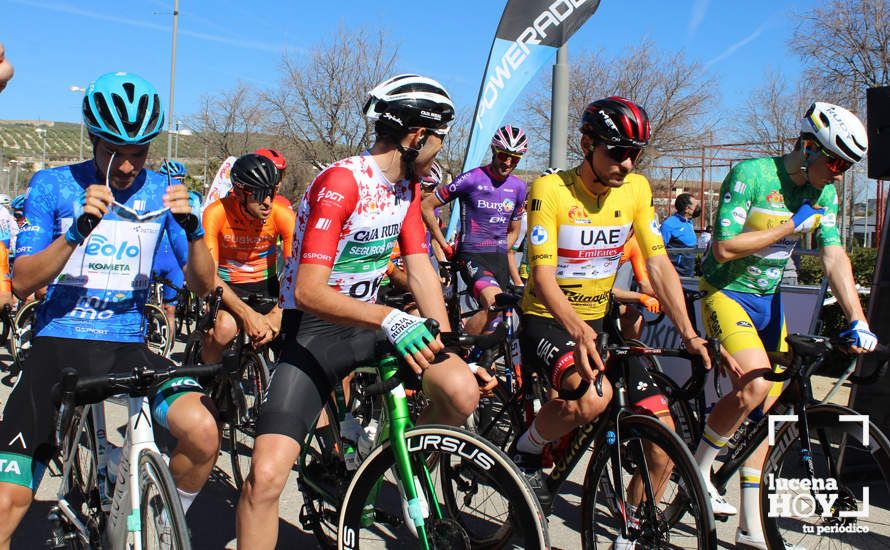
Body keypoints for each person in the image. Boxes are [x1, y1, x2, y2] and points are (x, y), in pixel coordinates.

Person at [236, 74, 496, 549]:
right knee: (265, 478)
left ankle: (387, 459)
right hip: (314, 328)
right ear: (417, 137)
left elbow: (421, 274)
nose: (441, 149)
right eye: (440, 139)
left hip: (367, 322)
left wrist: (448, 345)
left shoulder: (409, 191)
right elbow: (311, 292)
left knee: (459, 390)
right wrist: (388, 317)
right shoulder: (343, 181)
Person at [0, 71, 217, 549]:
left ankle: (162, 524)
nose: (125, 166)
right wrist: (75, 232)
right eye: (114, 152)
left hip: (127, 347)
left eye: (138, 153)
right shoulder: (52, 185)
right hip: (58, 345)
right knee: (4, 509)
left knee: (202, 434)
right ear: (95, 140)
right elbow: (22, 281)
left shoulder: (164, 194)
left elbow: (204, 285)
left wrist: (193, 230)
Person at [513, 97, 721, 546]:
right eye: (616, 151)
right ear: (587, 144)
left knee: (664, 443)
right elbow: (543, 277)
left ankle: (630, 530)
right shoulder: (550, 191)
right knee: (590, 401)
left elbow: (659, 264)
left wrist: (688, 332)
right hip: (548, 318)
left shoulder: (637, 190)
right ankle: (526, 452)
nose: (627, 163)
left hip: (600, 319)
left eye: (635, 153)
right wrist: (576, 327)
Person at [695, 101, 874, 550]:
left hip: (768, 299)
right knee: (754, 385)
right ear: (807, 147)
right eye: (834, 161)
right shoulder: (751, 175)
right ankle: (699, 469)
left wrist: (858, 318)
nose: (837, 174)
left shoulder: (825, 194)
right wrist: (789, 227)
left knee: (768, 413)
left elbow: (834, 255)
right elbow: (723, 248)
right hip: (725, 291)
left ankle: (750, 527)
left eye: (846, 167)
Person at [421, 124, 528, 335]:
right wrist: (444, 244)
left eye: (514, 158)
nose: (507, 162)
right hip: (472, 256)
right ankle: (460, 353)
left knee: (497, 322)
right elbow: (426, 206)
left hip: (498, 259)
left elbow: (515, 229)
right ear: (494, 151)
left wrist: (504, 246)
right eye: (503, 155)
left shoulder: (518, 187)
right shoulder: (471, 178)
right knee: (495, 304)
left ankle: (482, 361)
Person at [200, 153, 296, 364]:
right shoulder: (216, 213)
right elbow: (209, 275)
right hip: (227, 287)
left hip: (267, 287)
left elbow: (295, 271)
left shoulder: (282, 214)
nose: (268, 203)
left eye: (272, 192)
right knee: (224, 329)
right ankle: (204, 383)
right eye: (260, 194)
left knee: (292, 338)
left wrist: (277, 315)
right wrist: (246, 315)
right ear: (240, 193)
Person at [153, 160, 191, 327]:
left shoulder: (191, 202)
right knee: (142, 308)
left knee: (170, 310)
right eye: (173, 180)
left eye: (180, 180)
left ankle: (166, 352)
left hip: (175, 263)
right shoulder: (153, 201)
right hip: (153, 259)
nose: (177, 184)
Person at [661, 192, 700, 276]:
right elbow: (659, 249)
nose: (698, 208)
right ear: (687, 208)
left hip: (689, 271)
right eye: (695, 206)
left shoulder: (689, 222)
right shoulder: (669, 224)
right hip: (676, 274)